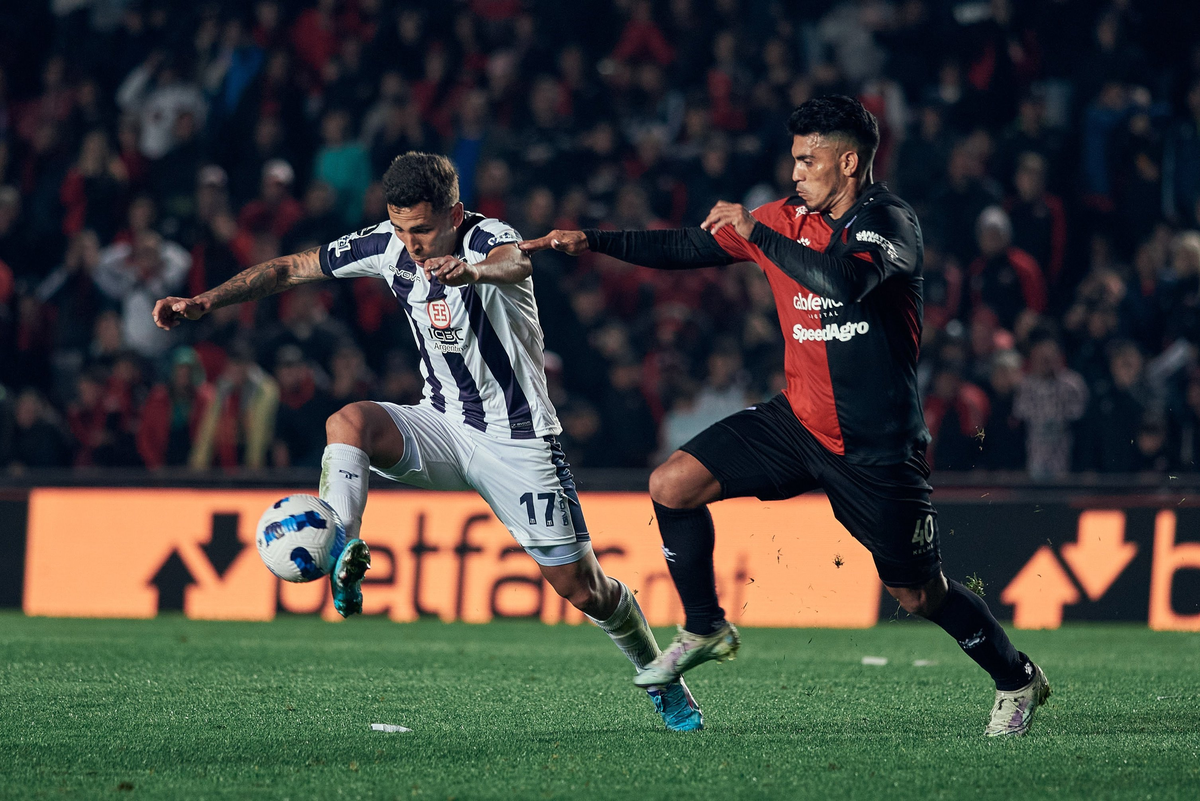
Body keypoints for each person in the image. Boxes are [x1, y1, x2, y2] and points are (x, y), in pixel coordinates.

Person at [521, 96, 1049, 737]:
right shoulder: (784, 218)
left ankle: (1016, 677)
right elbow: (689, 246)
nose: (795, 173)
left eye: (808, 160)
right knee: (672, 484)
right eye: (794, 160)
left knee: (918, 594)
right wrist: (594, 241)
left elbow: (845, 283)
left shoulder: (889, 221)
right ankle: (706, 626)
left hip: (875, 449)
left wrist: (758, 236)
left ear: (848, 162)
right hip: (797, 421)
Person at [152, 152, 702, 732]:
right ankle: (341, 550)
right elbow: (292, 269)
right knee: (348, 423)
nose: (410, 243)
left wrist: (472, 273)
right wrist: (205, 301)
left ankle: (660, 676)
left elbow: (514, 262)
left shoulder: (488, 237)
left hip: (517, 441)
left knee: (585, 591)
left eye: (421, 229)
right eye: (400, 228)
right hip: (441, 423)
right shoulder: (388, 245)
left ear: (453, 214)